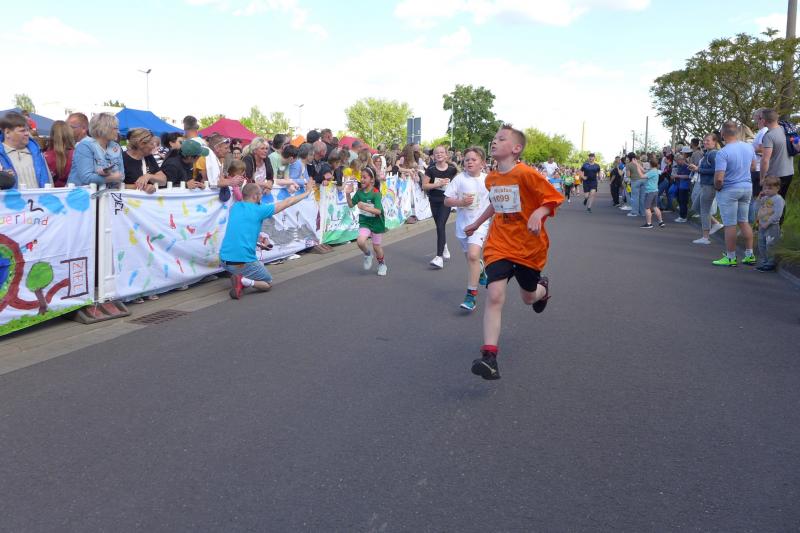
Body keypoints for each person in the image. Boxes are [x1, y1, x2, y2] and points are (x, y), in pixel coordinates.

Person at [463, 125, 564, 380]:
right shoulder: (492, 178)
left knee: (528, 297)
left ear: (516, 148)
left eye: (501, 138)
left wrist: (539, 213)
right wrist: (476, 223)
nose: (494, 141)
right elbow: (495, 204)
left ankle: (542, 290)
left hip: (528, 246)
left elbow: (553, 198)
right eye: (494, 138)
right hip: (500, 244)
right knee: (495, 294)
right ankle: (489, 357)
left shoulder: (527, 174)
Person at [221, 182, 314, 299]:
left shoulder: (235, 207)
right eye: (260, 194)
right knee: (267, 283)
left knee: (256, 264)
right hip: (241, 262)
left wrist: (258, 242)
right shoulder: (259, 210)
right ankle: (243, 281)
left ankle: (239, 277)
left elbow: (241, 231)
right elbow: (288, 202)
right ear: (255, 196)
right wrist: (307, 192)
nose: (262, 196)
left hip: (224, 260)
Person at [444, 146, 490, 311]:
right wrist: (461, 202)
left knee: (473, 256)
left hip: (480, 224)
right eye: (467, 159)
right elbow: (447, 200)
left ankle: (471, 296)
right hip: (463, 225)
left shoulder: (488, 180)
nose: (469, 162)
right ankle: (481, 269)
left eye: (473, 159)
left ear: (482, 163)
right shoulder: (459, 179)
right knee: (471, 260)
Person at [712, 121, 756, 267]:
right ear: (737, 132)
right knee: (743, 221)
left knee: (730, 224)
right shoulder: (749, 147)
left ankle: (731, 257)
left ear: (722, 134)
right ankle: (749, 255)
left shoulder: (723, 152)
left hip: (729, 189)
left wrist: (718, 187)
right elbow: (753, 167)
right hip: (747, 187)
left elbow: (719, 178)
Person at [345, 166, 387, 276]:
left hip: (377, 223)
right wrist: (348, 194)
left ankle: (382, 264)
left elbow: (378, 211)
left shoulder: (376, 193)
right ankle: (368, 254)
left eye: (364, 177)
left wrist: (364, 207)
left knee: (376, 247)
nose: (362, 180)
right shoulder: (359, 192)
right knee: (360, 241)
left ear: (372, 180)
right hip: (365, 222)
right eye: (361, 177)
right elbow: (351, 205)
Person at [67, 113, 123, 187]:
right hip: (82, 193)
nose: (118, 131)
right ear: (104, 128)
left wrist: (112, 176)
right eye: (115, 128)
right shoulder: (85, 146)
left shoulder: (115, 147)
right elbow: (86, 178)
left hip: (107, 193)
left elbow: (121, 176)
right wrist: (111, 178)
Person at [759, 108, 794, 224]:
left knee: (770, 203)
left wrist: (762, 178)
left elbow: (765, 160)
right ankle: (779, 227)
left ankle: (769, 228)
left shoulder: (769, 136)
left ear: (764, 120)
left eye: (760, 118)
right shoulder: (785, 129)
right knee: (781, 200)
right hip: (789, 172)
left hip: (775, 175)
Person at [424, 145, 458, 268]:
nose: (439, 154)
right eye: (436, 153)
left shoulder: (452, 169)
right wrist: (437, 184)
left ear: (446, 155)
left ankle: (439, 258)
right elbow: (424, 185)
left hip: (446, 201)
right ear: (433, 156)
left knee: (440, 225)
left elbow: (457, 183)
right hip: (434, 200)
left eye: (441, 152)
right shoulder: (431, 169)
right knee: (439, 227)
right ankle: (444, 246)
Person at [0, 111, 52, 189]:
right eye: (22, 131)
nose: (27, 133)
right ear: (7, 132)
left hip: (40, 197)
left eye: (27, 130)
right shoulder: (1, 156)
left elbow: (49, 182)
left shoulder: (37, 153)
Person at [689, 134, 724, 244]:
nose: (705, 142)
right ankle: (715, 223)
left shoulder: (713, 154)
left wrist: (698, 169)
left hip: (710, 185)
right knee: (696, 206)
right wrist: (697, 169)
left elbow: (717, 170)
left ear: (715, 142)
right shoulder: (708, 153)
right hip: (704, 184)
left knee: (704, 210)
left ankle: (705, 237)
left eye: (708, 140)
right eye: (704, 140)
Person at [754, 176, 785, 272]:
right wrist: (758, 199)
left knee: (770, 244)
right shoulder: (764, 198)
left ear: (777, 188)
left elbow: (778, 214)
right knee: (761, 244)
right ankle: (764, 261)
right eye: (765, 188)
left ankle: (770, 263)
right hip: (762, 225)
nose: (767, 190)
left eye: (770, 188)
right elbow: (756, 209)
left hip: (772, 226)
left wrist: (768, 223)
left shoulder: (778, 199)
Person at [122, 128, 167, 194]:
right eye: (151, 144)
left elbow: (163, 181)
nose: (153, 147)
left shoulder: (148, 156)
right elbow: (115, 185)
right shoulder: (122, 159)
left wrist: (148, 176)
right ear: (141, 144)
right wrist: (143, 187)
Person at [43, 120, 75, 187]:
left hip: (51, 192)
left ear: (52, 136)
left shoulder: (44, 156)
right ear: (69, 135)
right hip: (72, 191)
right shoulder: (76, 154)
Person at [640, 157, 665, 228]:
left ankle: (649, 224)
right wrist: (637, 165)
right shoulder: (656, 170)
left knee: (647, 208)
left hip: (650, 191)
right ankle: (661, 222)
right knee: (655, 207)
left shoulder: (652, 172)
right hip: (655, 191)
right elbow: (644, 171)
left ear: (650, 164)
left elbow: (642, 176)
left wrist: (637, 168)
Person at [672, 151, 692, 222]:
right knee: (680, 201)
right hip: (679, 185)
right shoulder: (679, 166)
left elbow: (688, 176)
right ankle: (682, 215)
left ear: (682, 160)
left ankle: (683, 217)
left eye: (677, 161)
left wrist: (677, 176)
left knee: (683, 201)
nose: (676, 162)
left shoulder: (687, 167)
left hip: (684, 187)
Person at [625, 152, 646, 218]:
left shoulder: (628, 165)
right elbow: (643, 171)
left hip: (635, 181)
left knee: (635, 197)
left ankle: (635, 212)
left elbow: (628, 175)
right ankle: (643, 212)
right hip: (643, 180)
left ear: (629, 158)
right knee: (642, 197)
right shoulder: (639, 162)